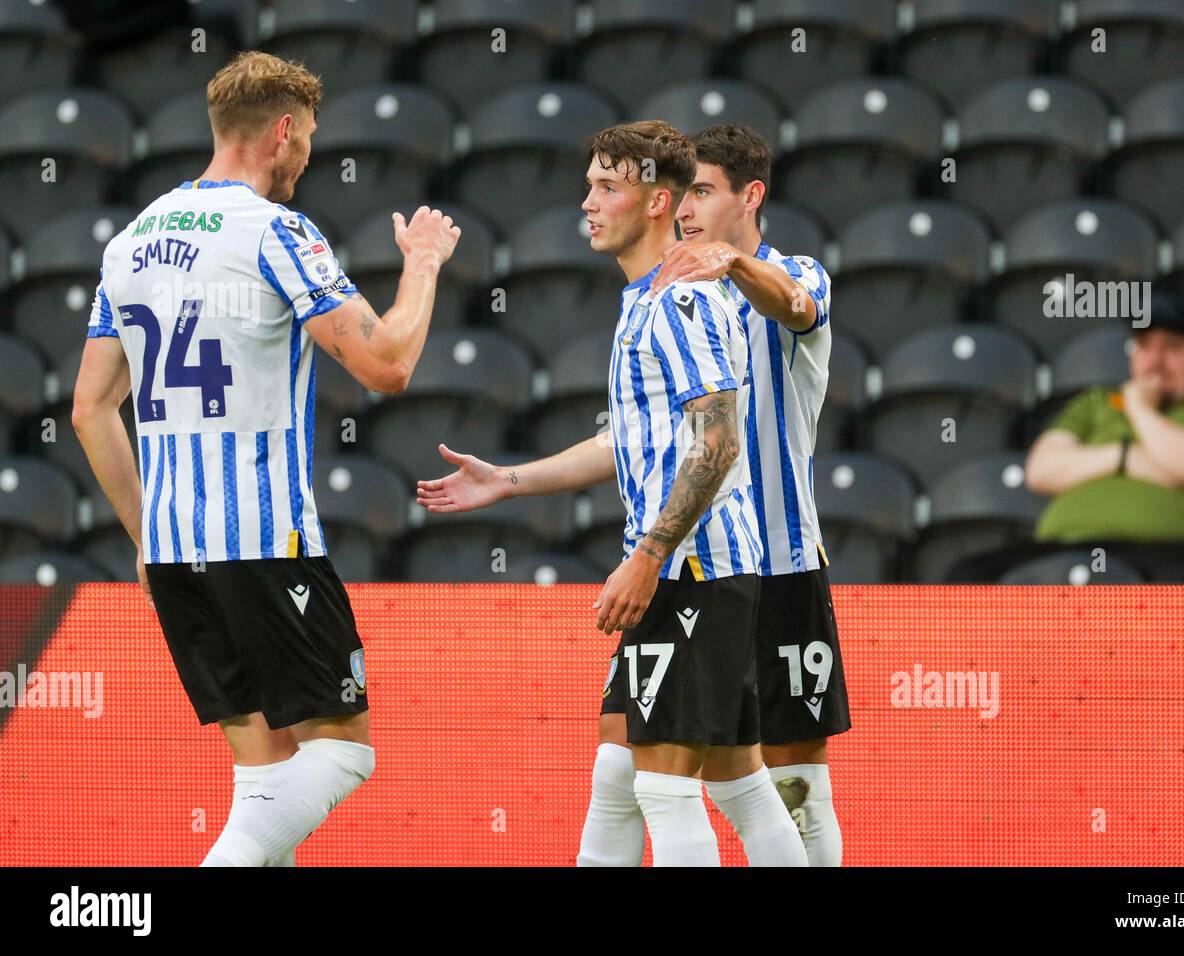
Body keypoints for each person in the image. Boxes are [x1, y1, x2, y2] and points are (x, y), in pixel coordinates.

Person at [72, 51, 461, 866]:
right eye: (310, 137)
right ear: (282, 131)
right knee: (347, 751)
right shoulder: (276, 231)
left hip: (175, 552)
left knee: (265, 780)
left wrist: (147, 535)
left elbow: (89, 410)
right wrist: (422, 265)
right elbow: (387, 363)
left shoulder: (132, 241)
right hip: (263, 543)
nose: (310, 154)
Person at [418, 120, 807, 866]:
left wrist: (648, 558)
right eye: (589, 185)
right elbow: (631, 442)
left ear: (658, 202)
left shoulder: (678, 304)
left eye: (607, 188)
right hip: (696, 569)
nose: (588, 204)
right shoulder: (644, 298)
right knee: (690, 774)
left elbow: (716, 442)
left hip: (698, 571)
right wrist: (509, 480)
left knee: (663, 785)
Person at [585, 123, 849, 865]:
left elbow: (797, 307)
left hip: (775, 559)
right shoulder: (661, 292)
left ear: (749, 195)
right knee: (648, 765)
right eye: (687, 192)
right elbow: (637, 441)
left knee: (790, 783)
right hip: (705, 557)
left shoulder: (786, 275)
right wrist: (510, 479)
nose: (692, 210)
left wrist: (730, 262)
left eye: (705, 191)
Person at [960, 285, 1184, 582]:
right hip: (1063, 549)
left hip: (1168, 552)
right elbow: (1041, 470)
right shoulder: (1097, 402)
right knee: (968, 575)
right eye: (1145, 345)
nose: (1156, 361)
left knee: (1179, 588)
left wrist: (1140, 409)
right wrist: (1127, 457)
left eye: (1173, 346)